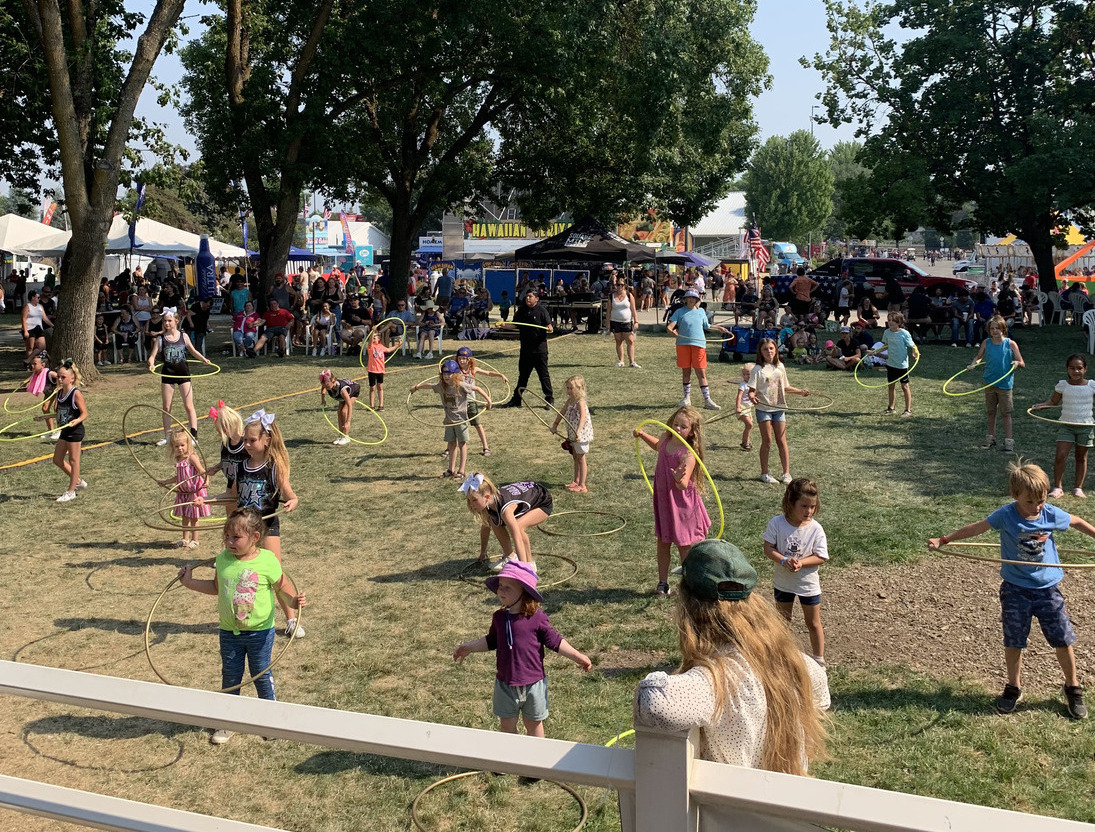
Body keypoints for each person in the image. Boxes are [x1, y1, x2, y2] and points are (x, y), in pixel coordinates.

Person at [634, 539, 829, 783]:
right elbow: (822, 697)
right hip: (788, 808)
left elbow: (652, 702)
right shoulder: (796, 663)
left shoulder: (717, 678)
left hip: (731, 812)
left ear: (689, 606)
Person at [929, 462, 1094, 719]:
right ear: (1015, 495)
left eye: (1040, 500)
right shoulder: (1006, 515)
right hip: (1015, 590)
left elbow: (1077, 521)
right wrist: (944, 539)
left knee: (1062, 638)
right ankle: (1013, 687)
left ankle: (1073, 688)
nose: (1037, 506)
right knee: (1014, 640)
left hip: (1047, 589)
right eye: (1030, 501)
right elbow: (976, 527)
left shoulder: (1049, 513)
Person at [177, 507, 306, 744]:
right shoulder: (223, 560)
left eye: (235, 537)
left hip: (259, 631)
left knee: (260, 674)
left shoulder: (267, 560)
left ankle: (270, 721)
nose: (229, 542)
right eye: (226, 536)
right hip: (229, 631)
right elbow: (216, 588)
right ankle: (228, 723)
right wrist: (190, 582)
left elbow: (281, 588)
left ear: (255, 538)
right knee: (231, 676)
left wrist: (294, 603)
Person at [453, 560, 591, 740]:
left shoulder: (536, 618)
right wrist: (469, 647)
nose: (501, 591)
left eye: (507, 587)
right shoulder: (499, 618)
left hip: (533, 684)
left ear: (524, 592)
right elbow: (492, 640)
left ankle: (536, 763)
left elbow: (555, 641)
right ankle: (511, 761)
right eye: (500, 586)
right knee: (506, 725)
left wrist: (578, 657)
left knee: (533, 724)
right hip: (505, 685)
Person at [204, 409, 303, 638]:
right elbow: (231, 496)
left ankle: (290, 619)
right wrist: (206, 499)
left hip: (266, 527)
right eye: (246, 440)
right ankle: (247, 616)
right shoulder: (241, 467)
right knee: (246, 575)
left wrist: (292, 503)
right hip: (243, 528)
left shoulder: (274, 467)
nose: (246, 444)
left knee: (275, 573)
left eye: (252, 440)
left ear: (266, 439)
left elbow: (290, 495)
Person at [634, 406, 710, 599]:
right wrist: (642, 435)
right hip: (664, 500)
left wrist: (678, 477)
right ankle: (663, 582)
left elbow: (683, 485)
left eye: (683, 427)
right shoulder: (667, 440)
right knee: (663, 541)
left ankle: (687, 585)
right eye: (675, 424)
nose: (677, 428)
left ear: (692, 431)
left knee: (684, 545)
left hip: (682, 505)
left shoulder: (688, 454)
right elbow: (657, 445)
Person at [763, 478, 828, 664]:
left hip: (808, 585)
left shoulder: (816, 529)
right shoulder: (777, 523)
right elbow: (768, 548)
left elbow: (821, 556)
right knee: (783, 622)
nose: (809, 511)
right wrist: (783, 560)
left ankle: (819, 660)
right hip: (783, 584)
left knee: (813, 623)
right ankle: (781, 657)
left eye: (812, 507)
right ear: (791, 503)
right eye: (804, 506)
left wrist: (801, 563)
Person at [410, 360, 491, 478]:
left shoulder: (461, 386)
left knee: (462, 444)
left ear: (456, 374)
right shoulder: (441, 386)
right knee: (451, 444)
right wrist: (416, 388)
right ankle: (450, 470)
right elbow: (429, 385)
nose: (446, 376)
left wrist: (488, 401)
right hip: (449, 421)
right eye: (444, 374)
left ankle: (461, 470)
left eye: (449, 374)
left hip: (460, 421)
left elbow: (477, 389)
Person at [1031, 353, 1095, 498]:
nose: (1076, 371)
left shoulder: (1092, 385)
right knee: (1060, 456)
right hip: (1066, 425)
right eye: (1072, 368)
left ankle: (1078, 488)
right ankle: (1057, 487)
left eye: (1079, 368)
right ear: (1067, 369)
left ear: (1085, 369)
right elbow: (1053, 402)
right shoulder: (1063, 385)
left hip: (1085, 426)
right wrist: (1042, 406)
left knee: (1081, 457)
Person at [461, 473, 553, 573]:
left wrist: (523, 569)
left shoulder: (506, 510)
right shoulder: (489, 503)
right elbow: (485, 527)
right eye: (469, 500)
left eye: (474, 500)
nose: (471, 504)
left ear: (487, 497)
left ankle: (529, 566)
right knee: (492, 520)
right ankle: (511, 557)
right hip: (527, 493)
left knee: (518, 526)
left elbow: (518, 539)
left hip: (542, 502)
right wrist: (483, 552)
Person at [146, 308, 211, 446]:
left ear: (176, 321)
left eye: (169, 321)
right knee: (167, 407)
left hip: (183, 374)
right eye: (165, 321)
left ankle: (194, 436)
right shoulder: (161, 338)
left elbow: (193, 351)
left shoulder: (183, 336)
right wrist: (151, 363)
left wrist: (203, 359)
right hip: (167, 374)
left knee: (188, 406)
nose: (167, 323)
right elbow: (152, 356)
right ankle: (167, 436)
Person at [750, 338, 810, 485]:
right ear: (760, 352)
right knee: (767, 441)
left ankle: (786, 474)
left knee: (782, 441)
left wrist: (800, 392)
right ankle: (764, 473)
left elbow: (785, 387)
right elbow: (751, 391)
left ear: (776, 350)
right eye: (765, 349)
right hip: (764, 409)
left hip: (779, 408)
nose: (769, 351)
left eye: (771, 348)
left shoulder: (780, 367)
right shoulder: (757, 369)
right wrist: (752, 397)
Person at [968, 315, 1025, 452]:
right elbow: (979, 357)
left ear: (1003, 329)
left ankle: (1009, 442)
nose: (994, 331)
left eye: (997, 328)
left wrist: (1017, 363)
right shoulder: (986, 343)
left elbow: (1022, 362)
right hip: (989, 382)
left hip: (1005, 384)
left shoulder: (1010, 344)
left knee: (1006, 413)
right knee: (991, 412)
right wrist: (973, 364)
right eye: (992, 328)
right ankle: (990, 439)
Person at [667, 289, 729, 411]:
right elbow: (670, 327)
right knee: (686, 372)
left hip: (699, 344)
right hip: (683, 344)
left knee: (701, 372)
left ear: (696, 300)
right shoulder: (679, 312)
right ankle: (686, 399)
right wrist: (672, 332)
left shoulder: (701, 312)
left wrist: (719, 328)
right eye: (688, 297)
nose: (691, 300)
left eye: (693, 298)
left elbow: (707, 326)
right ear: (685, 299)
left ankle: (707, 400)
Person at [501, 288, 555, 407]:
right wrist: (503, 325)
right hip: (526, 350)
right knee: (523, 376)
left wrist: (550, 328)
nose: (528, 298)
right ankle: (517, 400)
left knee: (543, 375)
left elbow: (549, 326)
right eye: (527, 296)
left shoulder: (542, 311)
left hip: (539, 350)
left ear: (537, 298)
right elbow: (515, 325)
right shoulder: (522, 311)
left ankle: (549, 398)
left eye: (530, 296)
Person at [455, 346, 508, 456]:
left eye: (464, 358)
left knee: (478, 424)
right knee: (456, 425)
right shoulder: (455, 371)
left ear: (469, 359)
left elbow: (488, 373)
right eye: (460, 358)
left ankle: (485, 447)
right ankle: (449, 449)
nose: (462, 361)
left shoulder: (473, 370)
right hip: (459, 403)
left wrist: (500, 375)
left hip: (471, 402)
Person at [164, 426, 209, 549]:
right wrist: (165, 482)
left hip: (193, 492)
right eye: (176, 446)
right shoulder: (178, 460)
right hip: (183, 493)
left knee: (194, 517)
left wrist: (207, 479)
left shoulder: (191, 457)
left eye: (182, 445)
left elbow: (201, 471)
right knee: (185, 516)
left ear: (188, 444)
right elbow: (178, 477)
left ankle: (195, 540)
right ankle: (185, 539)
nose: (179, 448)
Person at [52, 359, 88, 502]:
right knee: (57, 459)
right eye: (58, 377)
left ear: (72, 378)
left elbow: (84, 413)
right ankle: (78, 482)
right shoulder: (59, 393)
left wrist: (77, 420)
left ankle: (71, 490)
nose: (60, 380)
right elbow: (61, 412)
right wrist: (45, 417)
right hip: (64, 431)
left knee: (74, 460)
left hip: (75, 431)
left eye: (63, 377)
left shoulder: (75, 394)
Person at [872, 311, 919, 417]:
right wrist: (876, 352)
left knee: (905, 386)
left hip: (902, 365)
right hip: (891, 363)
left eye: (893, 320)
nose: (890, 322)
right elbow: (886, 345)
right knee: (891, 385)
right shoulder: (887, 332)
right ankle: (891, 408)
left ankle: (908, 410)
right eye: (889, 320)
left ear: (899, 322)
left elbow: (912, 345)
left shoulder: (904, 333)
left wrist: (915, 351)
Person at [552, 375, 593, 493]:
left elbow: (583, 418)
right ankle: (576, 481)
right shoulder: (570, 401)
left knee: (581, 458)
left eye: (571, 388)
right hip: (573, 434)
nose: (569, 391)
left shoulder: (580, 402)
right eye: (568, 388)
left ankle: (582, 485)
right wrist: (555, 425)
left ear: (579, 388)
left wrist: (578, 432)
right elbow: (561, 412)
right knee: (575, 457)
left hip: (581, 435)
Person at [209, 400, 247, 489]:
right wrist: (215, 468)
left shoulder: (248, 444)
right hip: (231, 487)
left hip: (245, 488)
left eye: (219, 431)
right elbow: (227, 460)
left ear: (225, 429)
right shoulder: (226, 444)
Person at [319, 370, 361, 446]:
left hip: (353, 392)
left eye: (327, 386)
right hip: (340, 396)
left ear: (333, 381)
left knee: (344, 411)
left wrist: (348, 422)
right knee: (339, 412)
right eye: (324, 385)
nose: (326, 388)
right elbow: (323, 389)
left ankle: (346, 436)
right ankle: (341, 435)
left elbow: (349, 406)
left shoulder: (342, 389)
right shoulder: (327, 383)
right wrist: (323, 400)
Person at [609, 275, 640, 368]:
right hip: (615, 321)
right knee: (618, 341)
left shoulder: (629, 295)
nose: (619, 287)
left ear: (625, 285)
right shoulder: (611, 296)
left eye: (621, 285)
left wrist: (636, 321)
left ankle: (632, 361)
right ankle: (621, 361)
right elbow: (608, 311)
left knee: (630, 341)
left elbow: (633, 309)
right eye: (618, 285)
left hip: (627, 321)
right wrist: (607, 325)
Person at [22, 290, 52, 368]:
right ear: (33, 298)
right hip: (30, 328)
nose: (39, 299)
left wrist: (53, 325)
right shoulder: (27, 306)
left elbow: (45, 318)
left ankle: (28, 360)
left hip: (39, 328)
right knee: (30, 348)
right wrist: (25, 331)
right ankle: (30, 365)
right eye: (38, 297)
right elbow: (23, 319)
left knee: (42, 347)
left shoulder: (40, 306)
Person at [733, 362, 755, 451]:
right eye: (744, 374)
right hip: (742, 407)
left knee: (749, 426)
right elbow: (739, 397)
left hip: (748, 408)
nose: (746, 376)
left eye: (748, 374)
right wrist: (738, 408)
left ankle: (745, 442)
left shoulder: (753, 385)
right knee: (749, 424)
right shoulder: (743, 385)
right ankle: (745, 442)